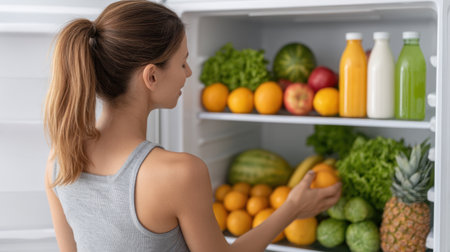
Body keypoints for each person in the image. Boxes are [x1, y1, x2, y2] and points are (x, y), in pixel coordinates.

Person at [43, 1, 342, 251]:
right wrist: (291, 209)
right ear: (151, 77)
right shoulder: (180, 173)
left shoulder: (59, 161)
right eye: (182, 62)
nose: (188, 73)